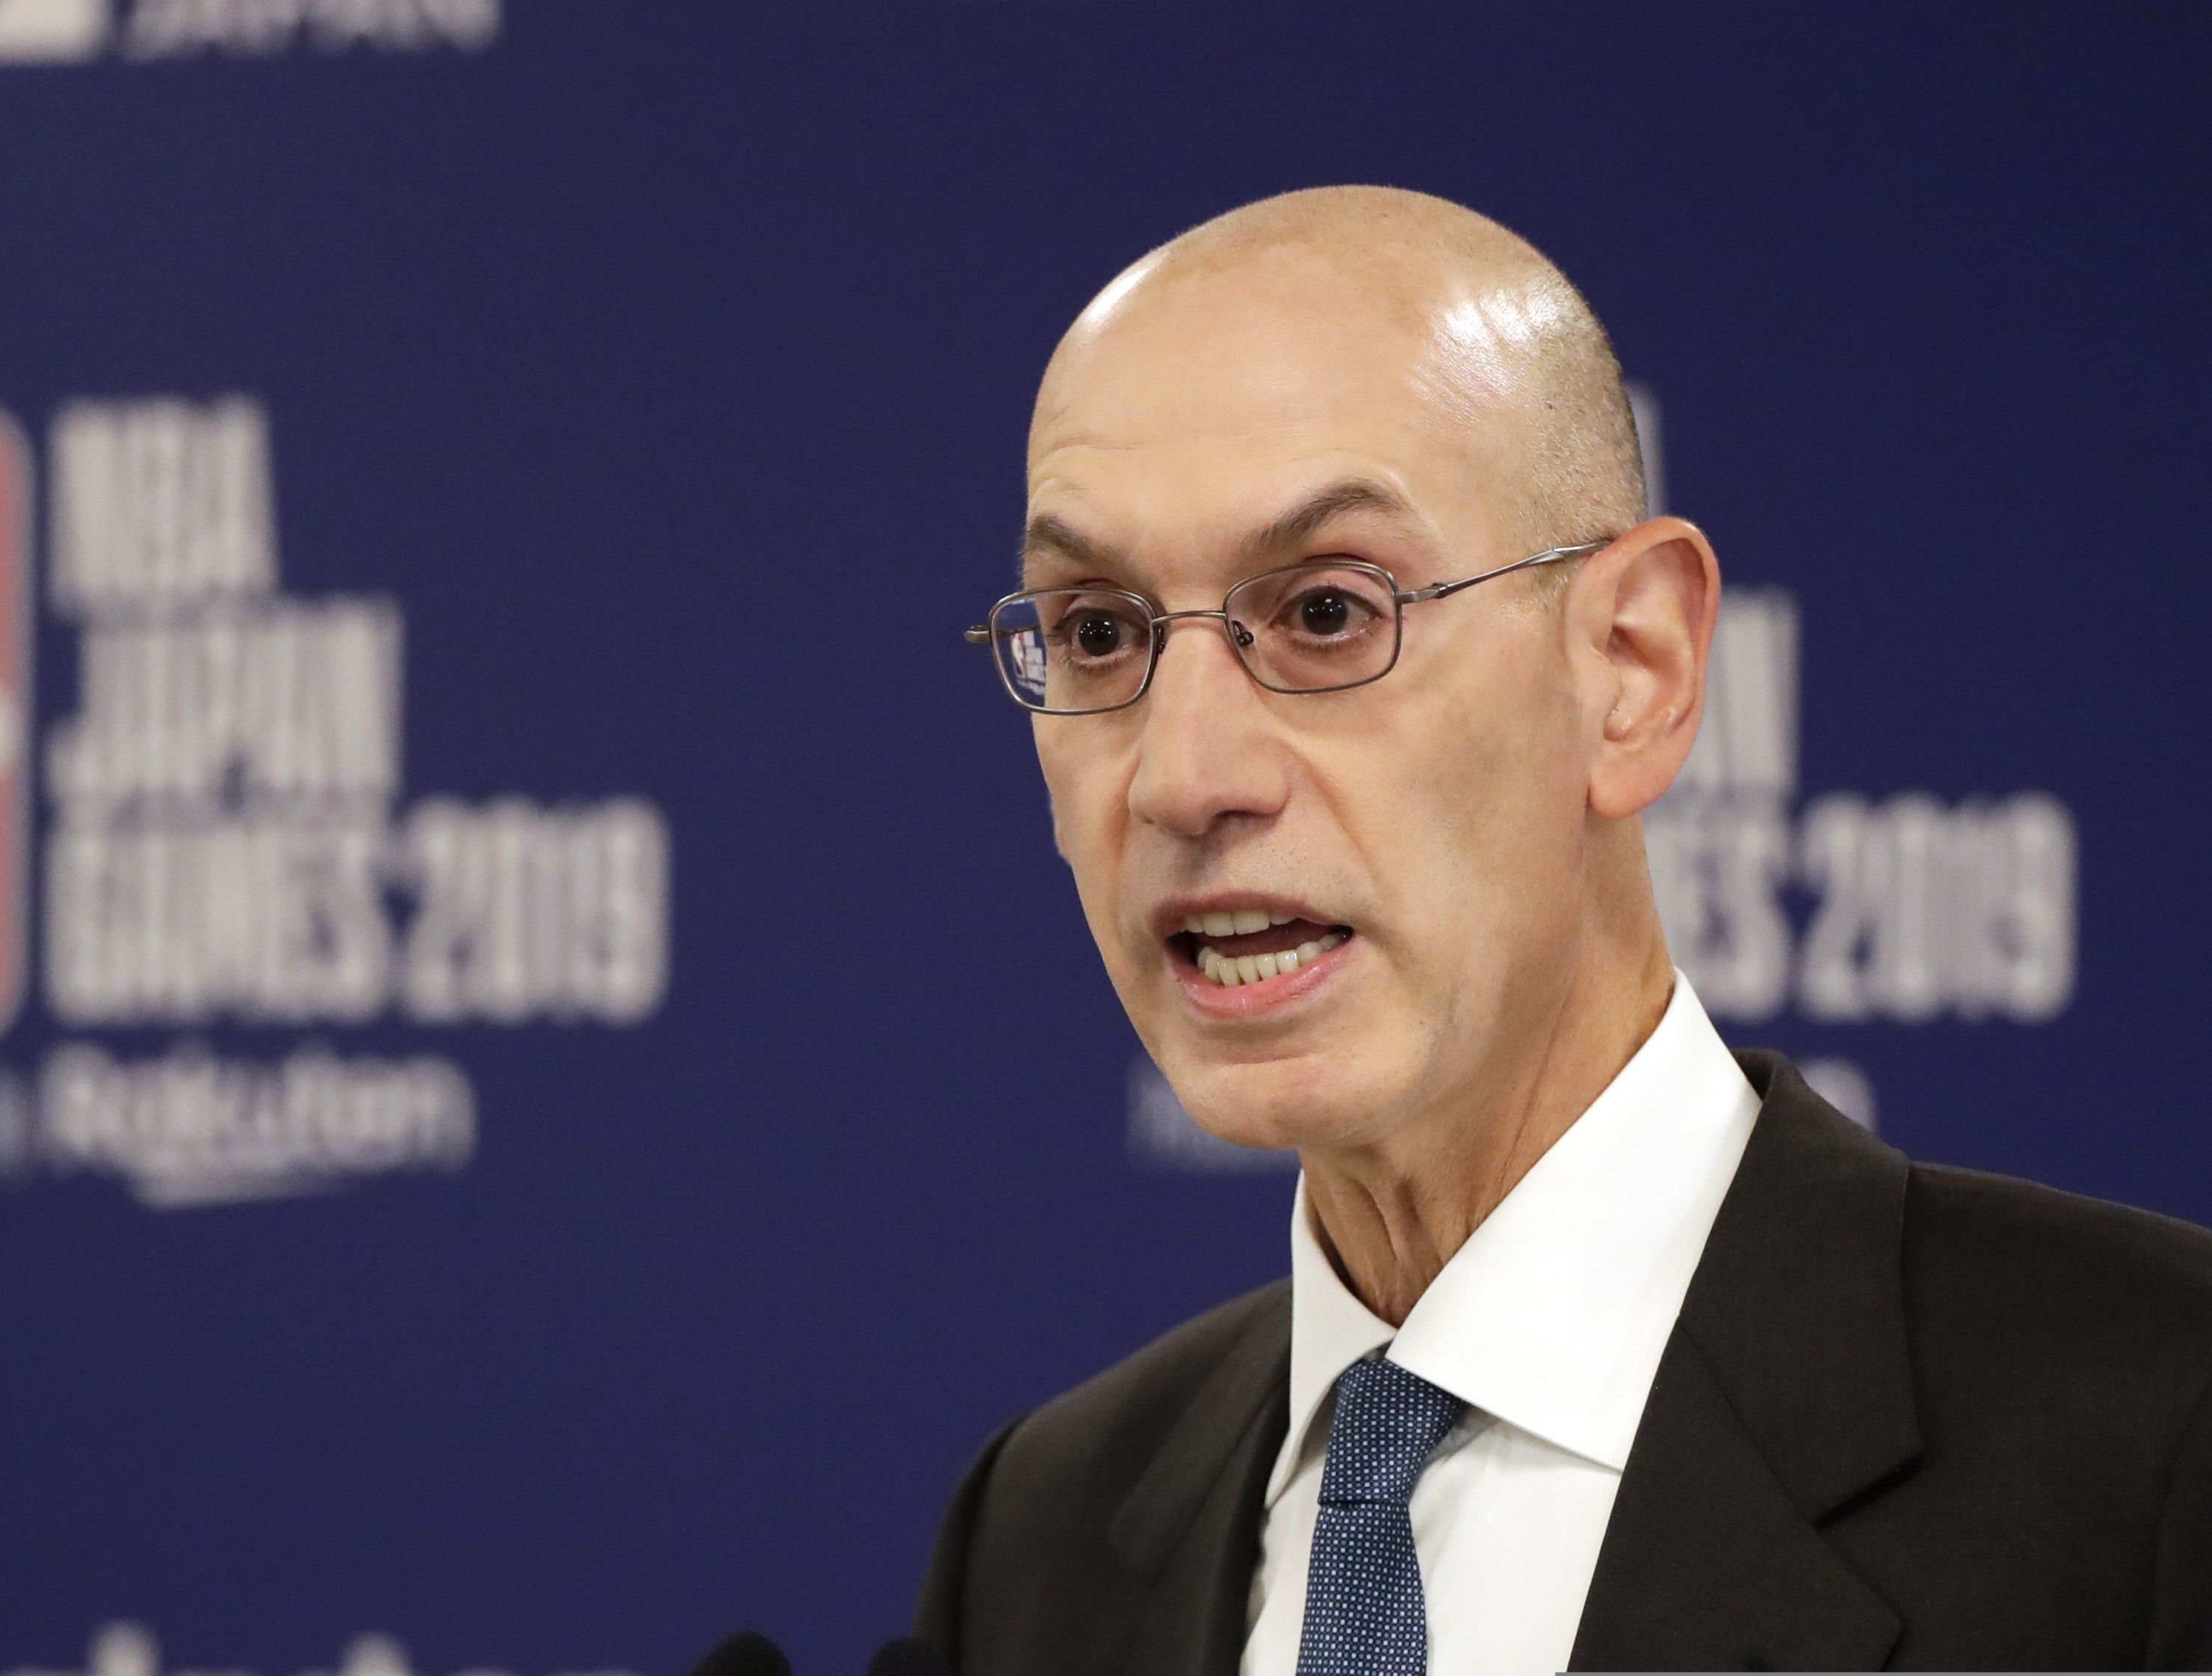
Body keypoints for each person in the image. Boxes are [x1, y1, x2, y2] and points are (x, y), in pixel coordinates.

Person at [916, 186, 2212, 1674]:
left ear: (1633, 667)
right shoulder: (1044, 1535)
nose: (1185, 776)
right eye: (1098, 631)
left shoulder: (2159, 1438)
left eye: (1329, 613)